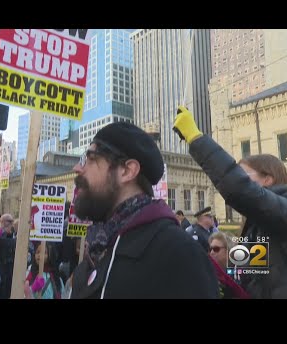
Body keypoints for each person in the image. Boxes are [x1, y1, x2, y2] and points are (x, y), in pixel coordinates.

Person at [173, 105, 287, 299]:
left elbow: (240, 189)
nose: (240, 179)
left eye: (243, 174)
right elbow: (247, 275)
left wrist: (196, 138)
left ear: (267, 179)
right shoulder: (259, 223)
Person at [69, 122, 219, 299]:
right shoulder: (96, 250)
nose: (77, 168)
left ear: (127, 171)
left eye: (91, 159)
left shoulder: (178, 253)